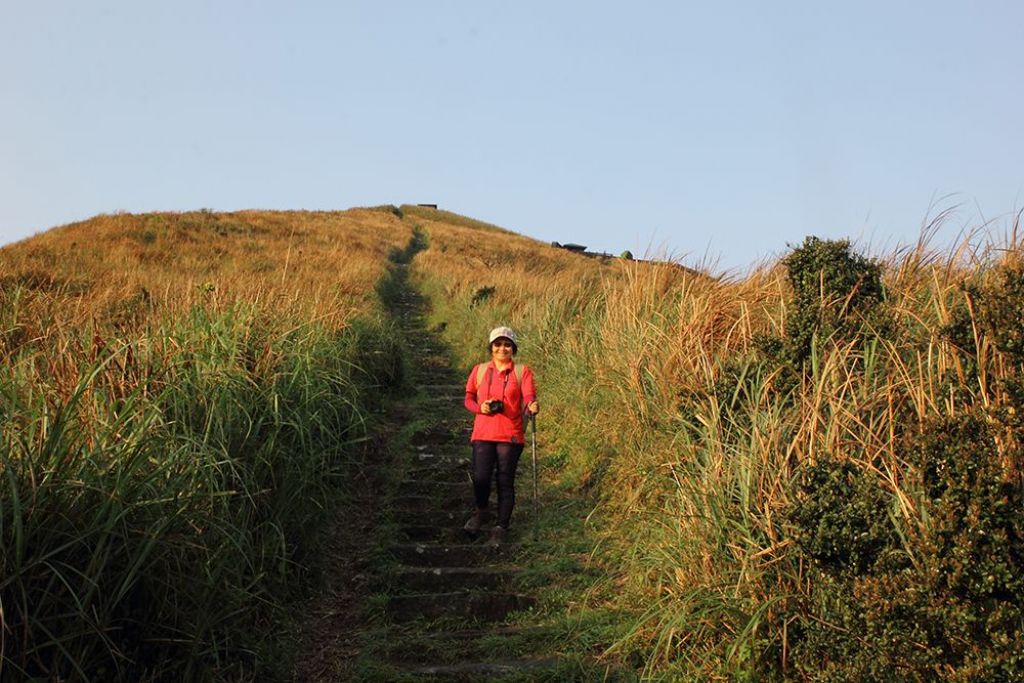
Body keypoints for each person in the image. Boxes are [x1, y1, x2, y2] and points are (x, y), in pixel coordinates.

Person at [463, 326, 540, 545]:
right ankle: (482, 512)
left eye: (507, 344)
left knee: (505, 480)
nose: (502, 348)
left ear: (513, 348)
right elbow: (468, 398)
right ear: (491, 347)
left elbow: (528, 397)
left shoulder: (521, 372)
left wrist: (532, 405)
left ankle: (501, 526)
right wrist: (480, 408)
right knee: (480, 477)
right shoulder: (479, 370)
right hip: (483, 432)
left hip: (510, 435)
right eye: (498, 344)